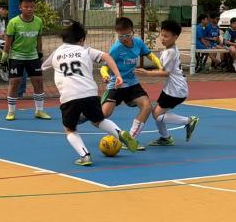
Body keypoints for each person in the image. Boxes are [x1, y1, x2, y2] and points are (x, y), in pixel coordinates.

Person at [40, 21, 138, 166]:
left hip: (69, 96)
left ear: (64, 39)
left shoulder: (56, 53)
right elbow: (106, 56)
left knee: (70, 129)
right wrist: (118, 75)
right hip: (90, 93)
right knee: (99, 120)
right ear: (81, 39)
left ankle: (85, 156)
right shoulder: (85, 50)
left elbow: (43, 66)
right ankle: (119, 133)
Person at [137, 20, 199, 147]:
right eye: (161, 34)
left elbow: (165, 73)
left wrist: (147, 73)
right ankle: (165, 138)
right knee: (156, 112)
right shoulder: (170, 50)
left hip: (176, 90)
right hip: (171, 88)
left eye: (166, 36)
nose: (162, 38)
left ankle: (188, 121)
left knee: (157, 115)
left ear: (175, 37)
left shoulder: (170, 52)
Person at [98, 17, 157, 146]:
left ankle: (130, 139)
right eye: (121, 36)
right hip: (116, 85)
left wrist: (161, 65)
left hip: (132, 83)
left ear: (133, 32)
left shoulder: (138, 43)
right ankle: (86, 114)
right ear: (117, 34)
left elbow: (150, 55)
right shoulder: (116, 49)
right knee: (104, 114)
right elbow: (104, 67)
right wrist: (105, 75)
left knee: (147, 107)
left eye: (127, 35)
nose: (124, 38)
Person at [3, 0, 50, 121]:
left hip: (33, 57)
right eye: (26, 7)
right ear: (20, 7)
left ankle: (39, 111)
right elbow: (8, 42)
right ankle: (11, 112)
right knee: (14, 83)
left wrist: (40, 53)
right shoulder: (13, 22)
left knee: (38, 82)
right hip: (16, 56)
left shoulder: (38, 21)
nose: (29, 9)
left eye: (32, 7)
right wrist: (4, 58)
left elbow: (39, 39)